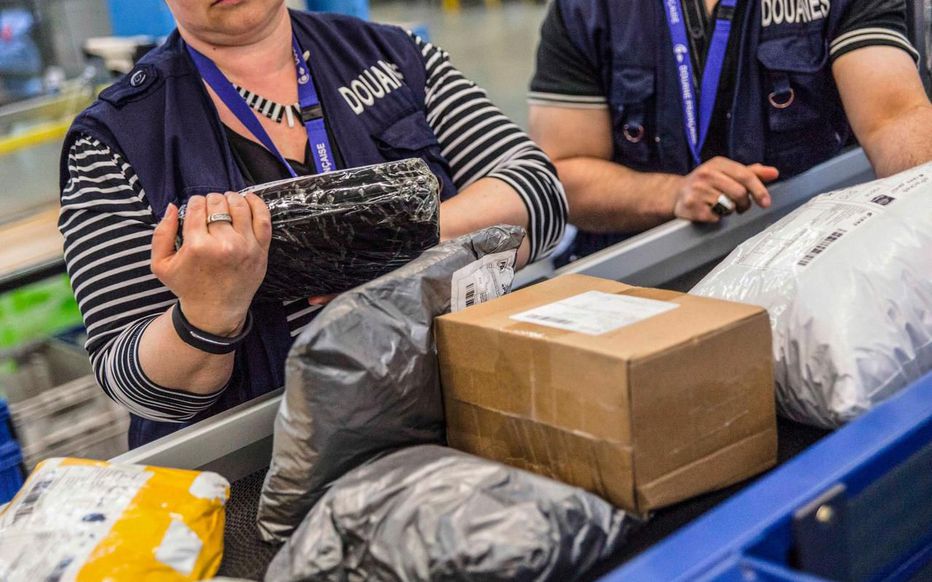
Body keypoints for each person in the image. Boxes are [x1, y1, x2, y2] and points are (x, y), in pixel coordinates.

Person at [59, 0, 567, 448]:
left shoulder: (389, 57)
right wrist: (210, 314)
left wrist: (394, 248)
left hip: (461, 416)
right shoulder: (116, 140)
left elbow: (539, 194)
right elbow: (131, 380)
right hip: (267, 462)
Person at [528, 0, 932, 261]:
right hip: (648, 276)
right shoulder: (586, 10)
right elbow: (564, 174)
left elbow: (894, 118)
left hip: (809, 262)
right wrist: (673, 194)